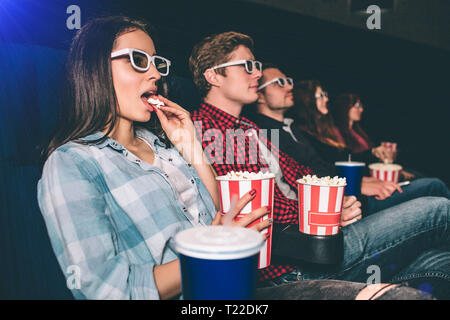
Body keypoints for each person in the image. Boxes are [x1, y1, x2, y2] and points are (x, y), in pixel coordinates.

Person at [36, 16, 417, 301]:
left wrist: (193, 151)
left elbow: (226, 216)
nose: (154, 73)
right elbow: (104, 287)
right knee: (426, 224)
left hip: (245, 283)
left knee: (432, 266)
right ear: (94, 68)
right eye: (138, 61)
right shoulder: (73, 163)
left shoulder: (169, 147)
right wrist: (214, 247)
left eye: (155, 62)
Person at [189, 31, 450, 299]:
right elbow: (251, 206)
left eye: (256, 66)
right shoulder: (205, 128)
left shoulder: (248, 126)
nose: (257, 74)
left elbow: (304, 174)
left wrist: (334, 200)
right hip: (294, 262)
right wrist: (324, 212)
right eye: (248, 66)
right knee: (438, 209)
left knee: (440, 262)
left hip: (319, 239)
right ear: (213, 76)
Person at [291, 80, 449, 213]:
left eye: (325, 95)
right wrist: (360, 181)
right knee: (433, 185)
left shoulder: (328, 132)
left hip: (360, 187)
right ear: (306, 99)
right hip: (352, 196)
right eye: (320, 95)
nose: (326, 99)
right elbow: (329, 168)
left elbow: (338, 164)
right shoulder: (304, 134)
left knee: (423, 179)